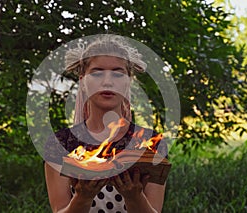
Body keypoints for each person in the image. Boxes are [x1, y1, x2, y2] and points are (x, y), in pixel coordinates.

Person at [44, 35, 167, 213]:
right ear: (83, 81)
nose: (107, 81)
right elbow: (59, 210)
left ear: (129, 81)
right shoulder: (60, 144)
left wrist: (134, 196)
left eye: (118, 73)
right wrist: (83, 197)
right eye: (97, 72)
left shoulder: (150, 143)